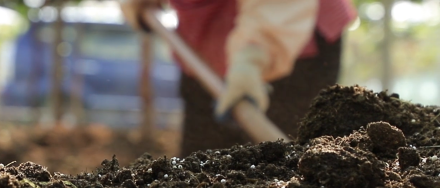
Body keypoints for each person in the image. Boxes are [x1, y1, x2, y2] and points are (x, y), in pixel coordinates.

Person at [121, 0, 357, 157]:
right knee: (202, 165)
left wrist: (251, 59)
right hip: (202, 49)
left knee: (282, 162)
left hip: (292, 31)